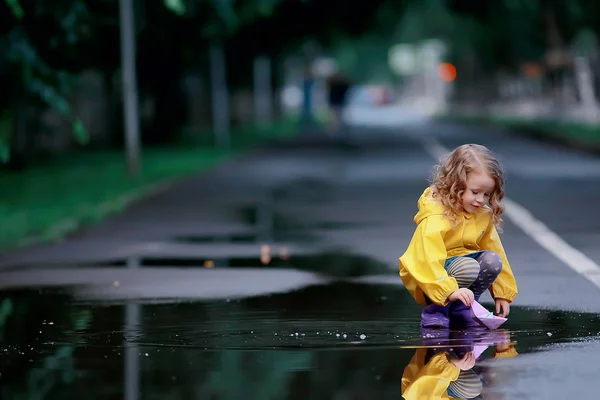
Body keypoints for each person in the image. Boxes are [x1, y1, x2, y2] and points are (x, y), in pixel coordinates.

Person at [399, 144, 518, 329]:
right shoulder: (437, 214)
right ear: (456, 185)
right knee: (468, 266)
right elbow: (426, 259)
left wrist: (503, 292)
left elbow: (496, 250)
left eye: (487, 194)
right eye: (475, 192)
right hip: (429, 277)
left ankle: (464, 308)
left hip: (459, 270)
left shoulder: (481, 214)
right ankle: (435, 311)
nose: (480, 200)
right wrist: (447, 291)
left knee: (492, 260)